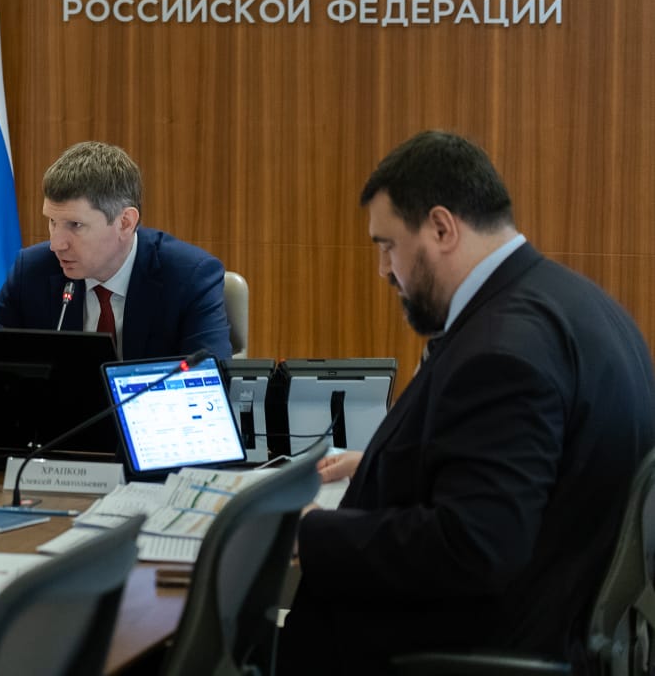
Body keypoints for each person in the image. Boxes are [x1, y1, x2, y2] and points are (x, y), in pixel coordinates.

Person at [280, 131, 655, 674]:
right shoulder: (583, 304)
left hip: (454, 650)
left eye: (388, 246)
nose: (384, 270)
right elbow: (532, 473)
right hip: (545, 624)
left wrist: (310, 532)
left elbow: (475, 545)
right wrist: (393, 464)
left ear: (441, 227)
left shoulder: (502, 352)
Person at [0, 141, 232, 361]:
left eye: (75, 225)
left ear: (125, 223)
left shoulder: (189, 278)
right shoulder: (32, 271)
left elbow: (210, 381)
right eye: (52, 222)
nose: (56, 244)